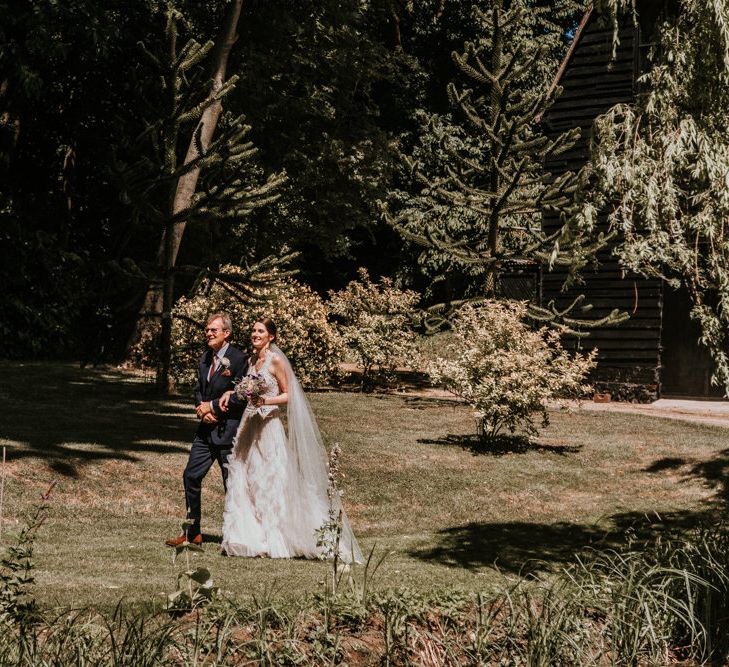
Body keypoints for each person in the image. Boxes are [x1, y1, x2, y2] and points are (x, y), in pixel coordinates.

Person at [218, 318, 362, 561]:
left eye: (260, 331)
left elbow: (289, 395)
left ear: (271, 336)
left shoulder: (275, 360)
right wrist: (234, 391)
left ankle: (277, 536)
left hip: (269, 426)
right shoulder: (253, 361)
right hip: (250, 424)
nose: (255, 334)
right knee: (249, 476)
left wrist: (265, 401)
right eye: (253, 330)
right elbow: (246, 388)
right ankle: (251, 535)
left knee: (271, 477)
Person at [165, 313, 248, 547]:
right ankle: (193, 532)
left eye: (214, 330)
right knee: (190, 475)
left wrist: (213, 409)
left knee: (230, 483)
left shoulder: (239, 359)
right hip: (204, 431)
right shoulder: (205, 358)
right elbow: (198, 390)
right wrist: (202, 410)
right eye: (207, 330)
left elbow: (241, 397)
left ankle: (236, 535)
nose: (209, 333)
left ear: (226, 333)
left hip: (228, 431)